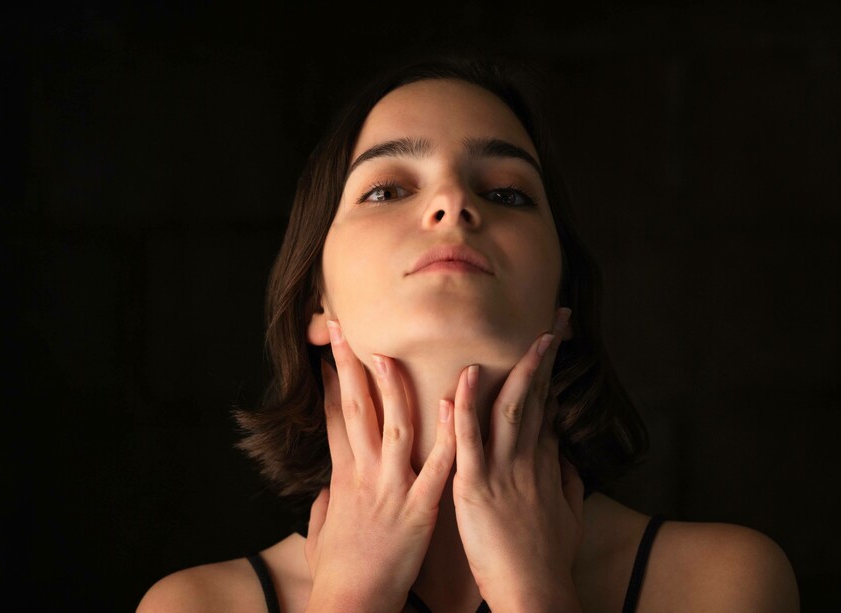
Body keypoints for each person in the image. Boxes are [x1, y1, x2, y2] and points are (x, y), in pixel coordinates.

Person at [136, 53, 800, 613]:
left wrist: (535, 592)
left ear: (560, 301)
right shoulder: (195, 605)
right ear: (316, 299)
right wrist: (351, 598)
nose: (453, 202)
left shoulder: (719, 583)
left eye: (508, 193)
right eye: (387, 188)